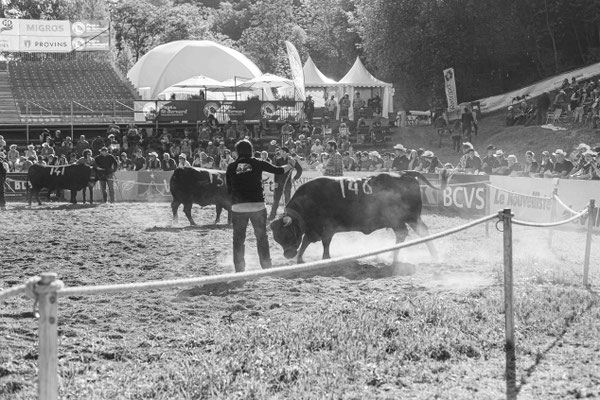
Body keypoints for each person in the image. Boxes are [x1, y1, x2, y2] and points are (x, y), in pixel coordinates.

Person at [225, 139, 292, 272]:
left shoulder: (231, 167)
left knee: (238, 239)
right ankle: (266, 265)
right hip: (258, 206)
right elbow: (278, 170)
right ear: (251, 150)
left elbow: (229, 189)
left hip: (238, 207)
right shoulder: (257, 162)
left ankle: (239, 268)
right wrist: (290, 165)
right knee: (261, 237)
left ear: (237, 152)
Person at [268, 146, 303, 220]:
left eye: (281, 151)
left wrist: (295, 178)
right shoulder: (278, 160)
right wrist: (276, 182)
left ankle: (288, 215)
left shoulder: (292, 160)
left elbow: (299, 169)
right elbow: (276, 171)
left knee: (287, 200)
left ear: (285, 152)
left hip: (287, 183)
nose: (279, 153)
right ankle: (272, 215)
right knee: (276, 200)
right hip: (279, 182)